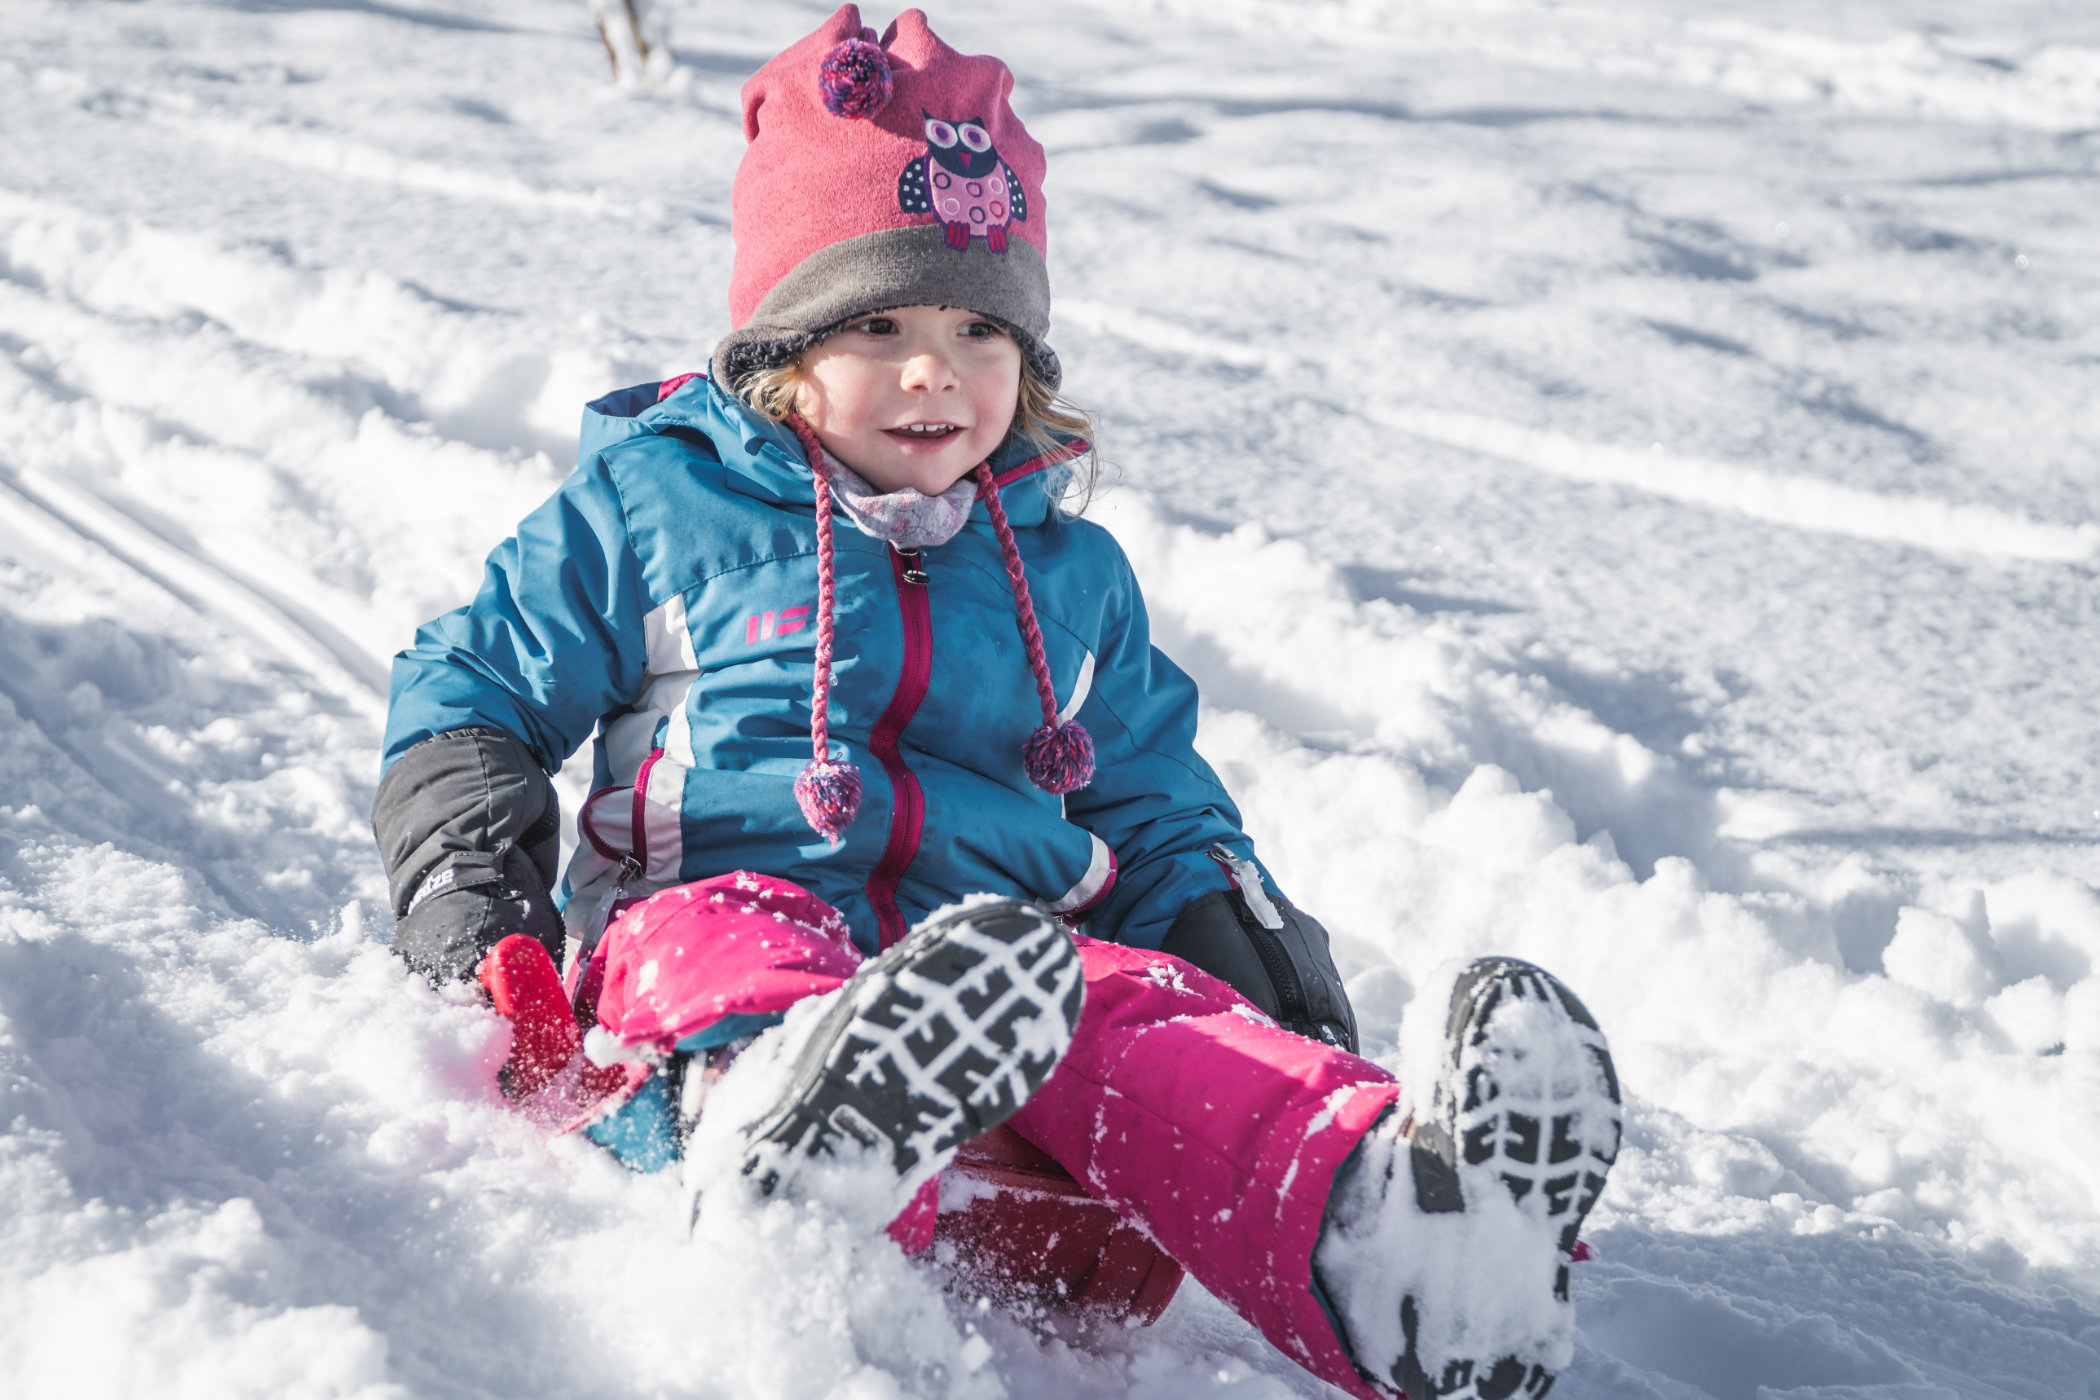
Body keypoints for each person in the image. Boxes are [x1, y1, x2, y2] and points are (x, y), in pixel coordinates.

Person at [369, 8, 1620, 1398]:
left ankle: (1405, 1249)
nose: (937, 369)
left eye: (980, 326)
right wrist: (473, 889)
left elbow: (1150, 799)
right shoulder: (660, 510)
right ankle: (785, 1135)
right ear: (783, 349)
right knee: (726, 936)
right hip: (709, 959)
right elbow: (473, 682)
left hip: (995, 1000)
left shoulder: (1067, 571)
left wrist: (1244, 961)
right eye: (880, 323)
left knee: (1131, 1008)